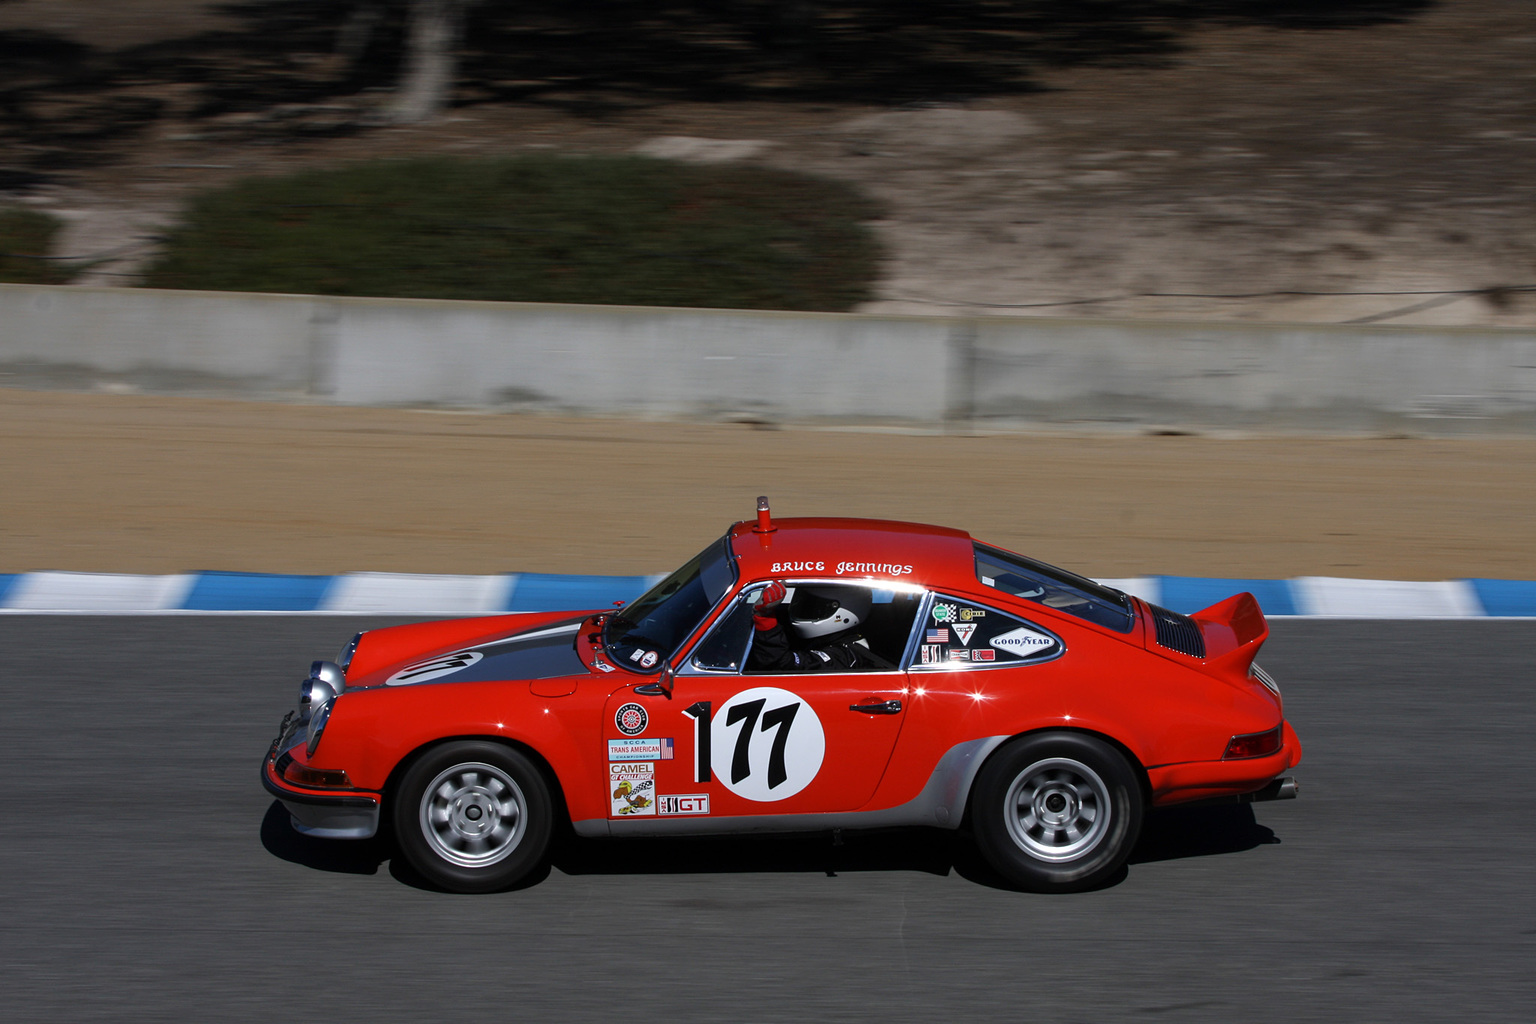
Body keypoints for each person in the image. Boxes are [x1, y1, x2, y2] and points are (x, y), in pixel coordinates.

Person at [746, 580, 890, 672]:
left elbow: (781, 665)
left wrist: (765, 618)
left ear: (841, 612)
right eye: (803, 603)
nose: (805, 610)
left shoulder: (843, 657)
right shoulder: (827, 639)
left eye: (814, 607)